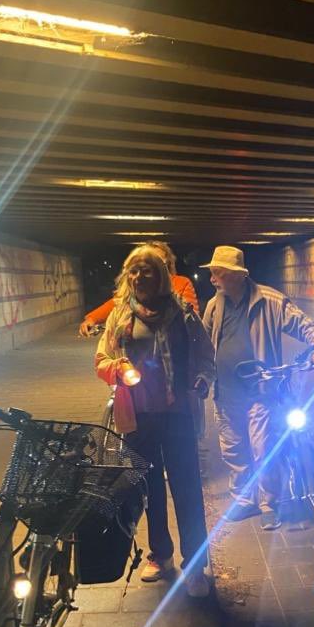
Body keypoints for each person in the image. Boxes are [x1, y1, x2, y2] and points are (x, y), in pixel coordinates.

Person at [95, 246, 215, 597]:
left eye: (146, 270)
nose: (138, 277)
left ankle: (195, 565)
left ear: (160, 275)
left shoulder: (183, 314)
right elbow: (101, 359)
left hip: (178, 416)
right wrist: (119, 369)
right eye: (133, 271)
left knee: (187, 489)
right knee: (149, 490)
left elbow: (205, 357)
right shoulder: (120, 316)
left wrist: (203, 380)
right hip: (138, 417)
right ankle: (160, 554)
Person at [201, 246, 314, 531]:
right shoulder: (214, 305)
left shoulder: (269, 300)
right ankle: (243, 499)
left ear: (237, 275)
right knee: (234, 450)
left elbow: (302, 322)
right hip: (226, 392)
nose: (212, 279)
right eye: (212, 273)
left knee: (263, 448)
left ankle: (268, 503)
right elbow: (204, 342)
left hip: (260, 390)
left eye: (217, 273)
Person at [80, 241, 198, 336]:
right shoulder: (137, 282)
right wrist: (92, 318)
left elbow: (191, 315)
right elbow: (119, 300)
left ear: (166, 264)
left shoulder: (180, 283)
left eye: (157, 260)